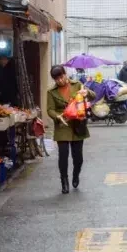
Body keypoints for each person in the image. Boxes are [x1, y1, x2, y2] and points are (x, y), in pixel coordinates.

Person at [46, 65, 94, 194]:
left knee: (78, 157)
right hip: (63, 124)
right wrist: (57, 116)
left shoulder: (77, 85)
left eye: (61, 77)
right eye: (57, 79)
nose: (60, 81)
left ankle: (76, 174)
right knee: (63, 156)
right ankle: (64, 181)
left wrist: (86, 92)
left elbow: (93, 96)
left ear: (65, 74)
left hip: (78, 124)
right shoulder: (51, 92)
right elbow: (50, 109)